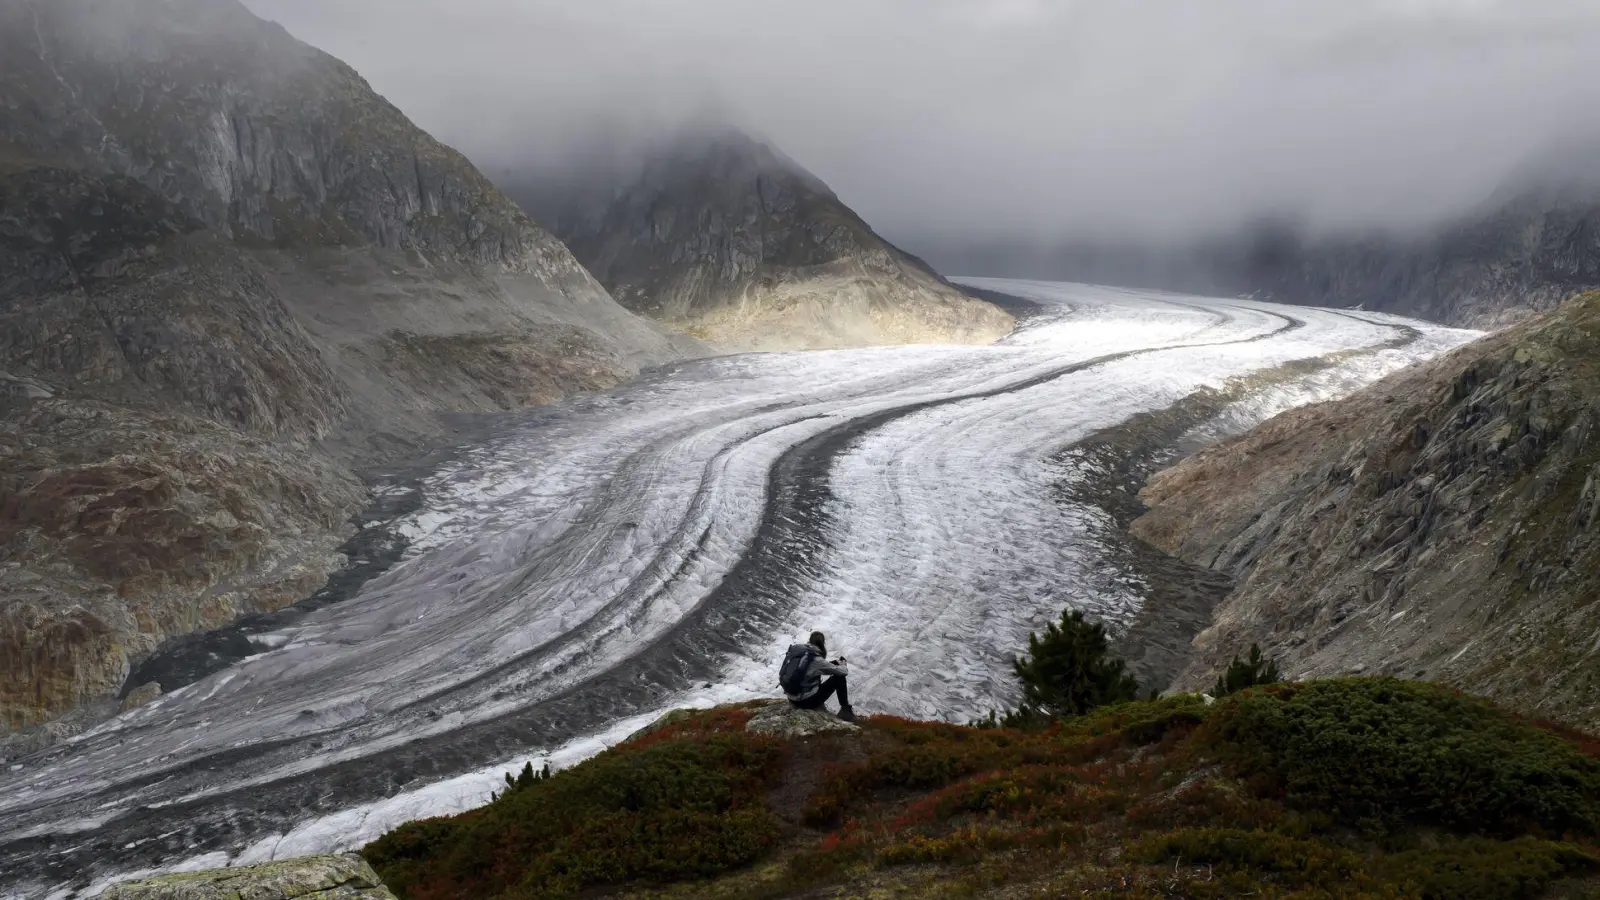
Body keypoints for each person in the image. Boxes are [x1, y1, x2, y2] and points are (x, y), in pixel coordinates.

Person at [785, 631, 855, 722]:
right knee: (839, 678)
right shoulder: (816, 659)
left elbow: (810, 669)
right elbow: (843, 672)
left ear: (810, 640)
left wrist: (832, 664)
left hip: (791, 698)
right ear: (823, 643)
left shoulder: (800, 652)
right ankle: (845, 711)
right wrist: (843, 665)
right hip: (804, 702)